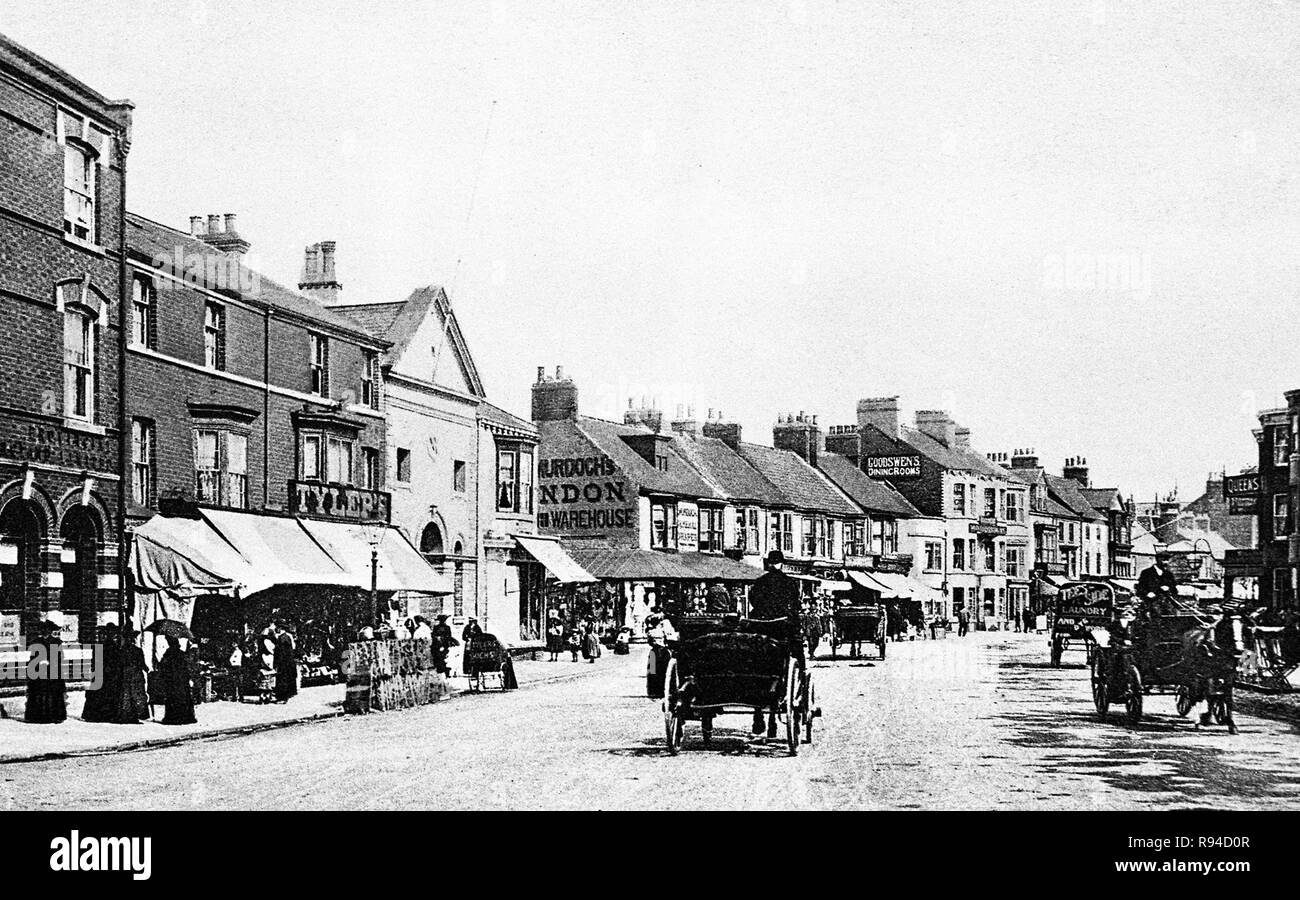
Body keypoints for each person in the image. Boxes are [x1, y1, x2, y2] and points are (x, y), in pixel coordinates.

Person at [746, 550, 804, 736]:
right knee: (796, 648)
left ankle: (758, 717)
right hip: (781, 628)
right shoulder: (790, 583)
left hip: (761, 626)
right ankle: (801, 673)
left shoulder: (760, 581)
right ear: (782, 563)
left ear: (768, 563)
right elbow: (795, 604)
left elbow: (753, 600)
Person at [25, 621, 67, 724]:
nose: (45, 632)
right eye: (43, 630)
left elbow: (60, 657)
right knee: (39, 692)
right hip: (39, 671)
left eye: (47, 630)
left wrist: (50, 662)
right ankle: (38, 717)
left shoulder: (56, 642)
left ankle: (54, 716)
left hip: (53, 671)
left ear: (50, 631)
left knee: (53, 693)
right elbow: (32, 658)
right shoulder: (36, 642)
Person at [81, 622, 122, 723]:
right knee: (104, 694)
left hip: (104, 674)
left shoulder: (106, 646)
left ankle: (97, 715)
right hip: (107, 674)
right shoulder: (112, 646)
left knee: (100, 694)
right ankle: (105, 715)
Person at [158, 634, 197, 725]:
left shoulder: (168, 654)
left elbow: (163, 666)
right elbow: (187, 668)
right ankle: (185, 717)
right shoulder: (182, 654)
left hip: (172, 680)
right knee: (183, 698)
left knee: (172, 698)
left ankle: (173, 717)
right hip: (182, 681)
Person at [1136, 552, 1179, 617]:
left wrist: (1169, 588)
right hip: (1151, 604)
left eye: (1167, 560)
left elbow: (1174, 590)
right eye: (1164, 560)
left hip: (1167, 605)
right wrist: (1147, 593)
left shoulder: (1169, 574)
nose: (1166, 562)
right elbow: (1140, 588)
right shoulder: (1146, 573)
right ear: (1157, 559)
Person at [274, 621, 298, 703]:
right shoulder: (287, 637)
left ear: (280, 628)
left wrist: (277, 662)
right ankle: (284, 697)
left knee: (283, 680)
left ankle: (283, 697)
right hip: (288, 662)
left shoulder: (282, 638)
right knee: (286, 679)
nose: (276, 629)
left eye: (277, 627)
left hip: (283, 662)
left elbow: (281, 652)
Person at [257, 625, 277, 704]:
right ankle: (266, 696)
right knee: (267, 680)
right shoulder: (267, 642)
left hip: (264, 660)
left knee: (265, 680)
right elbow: (271, 650)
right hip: (268, 660)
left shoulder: (261, 642)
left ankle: (264, 696)